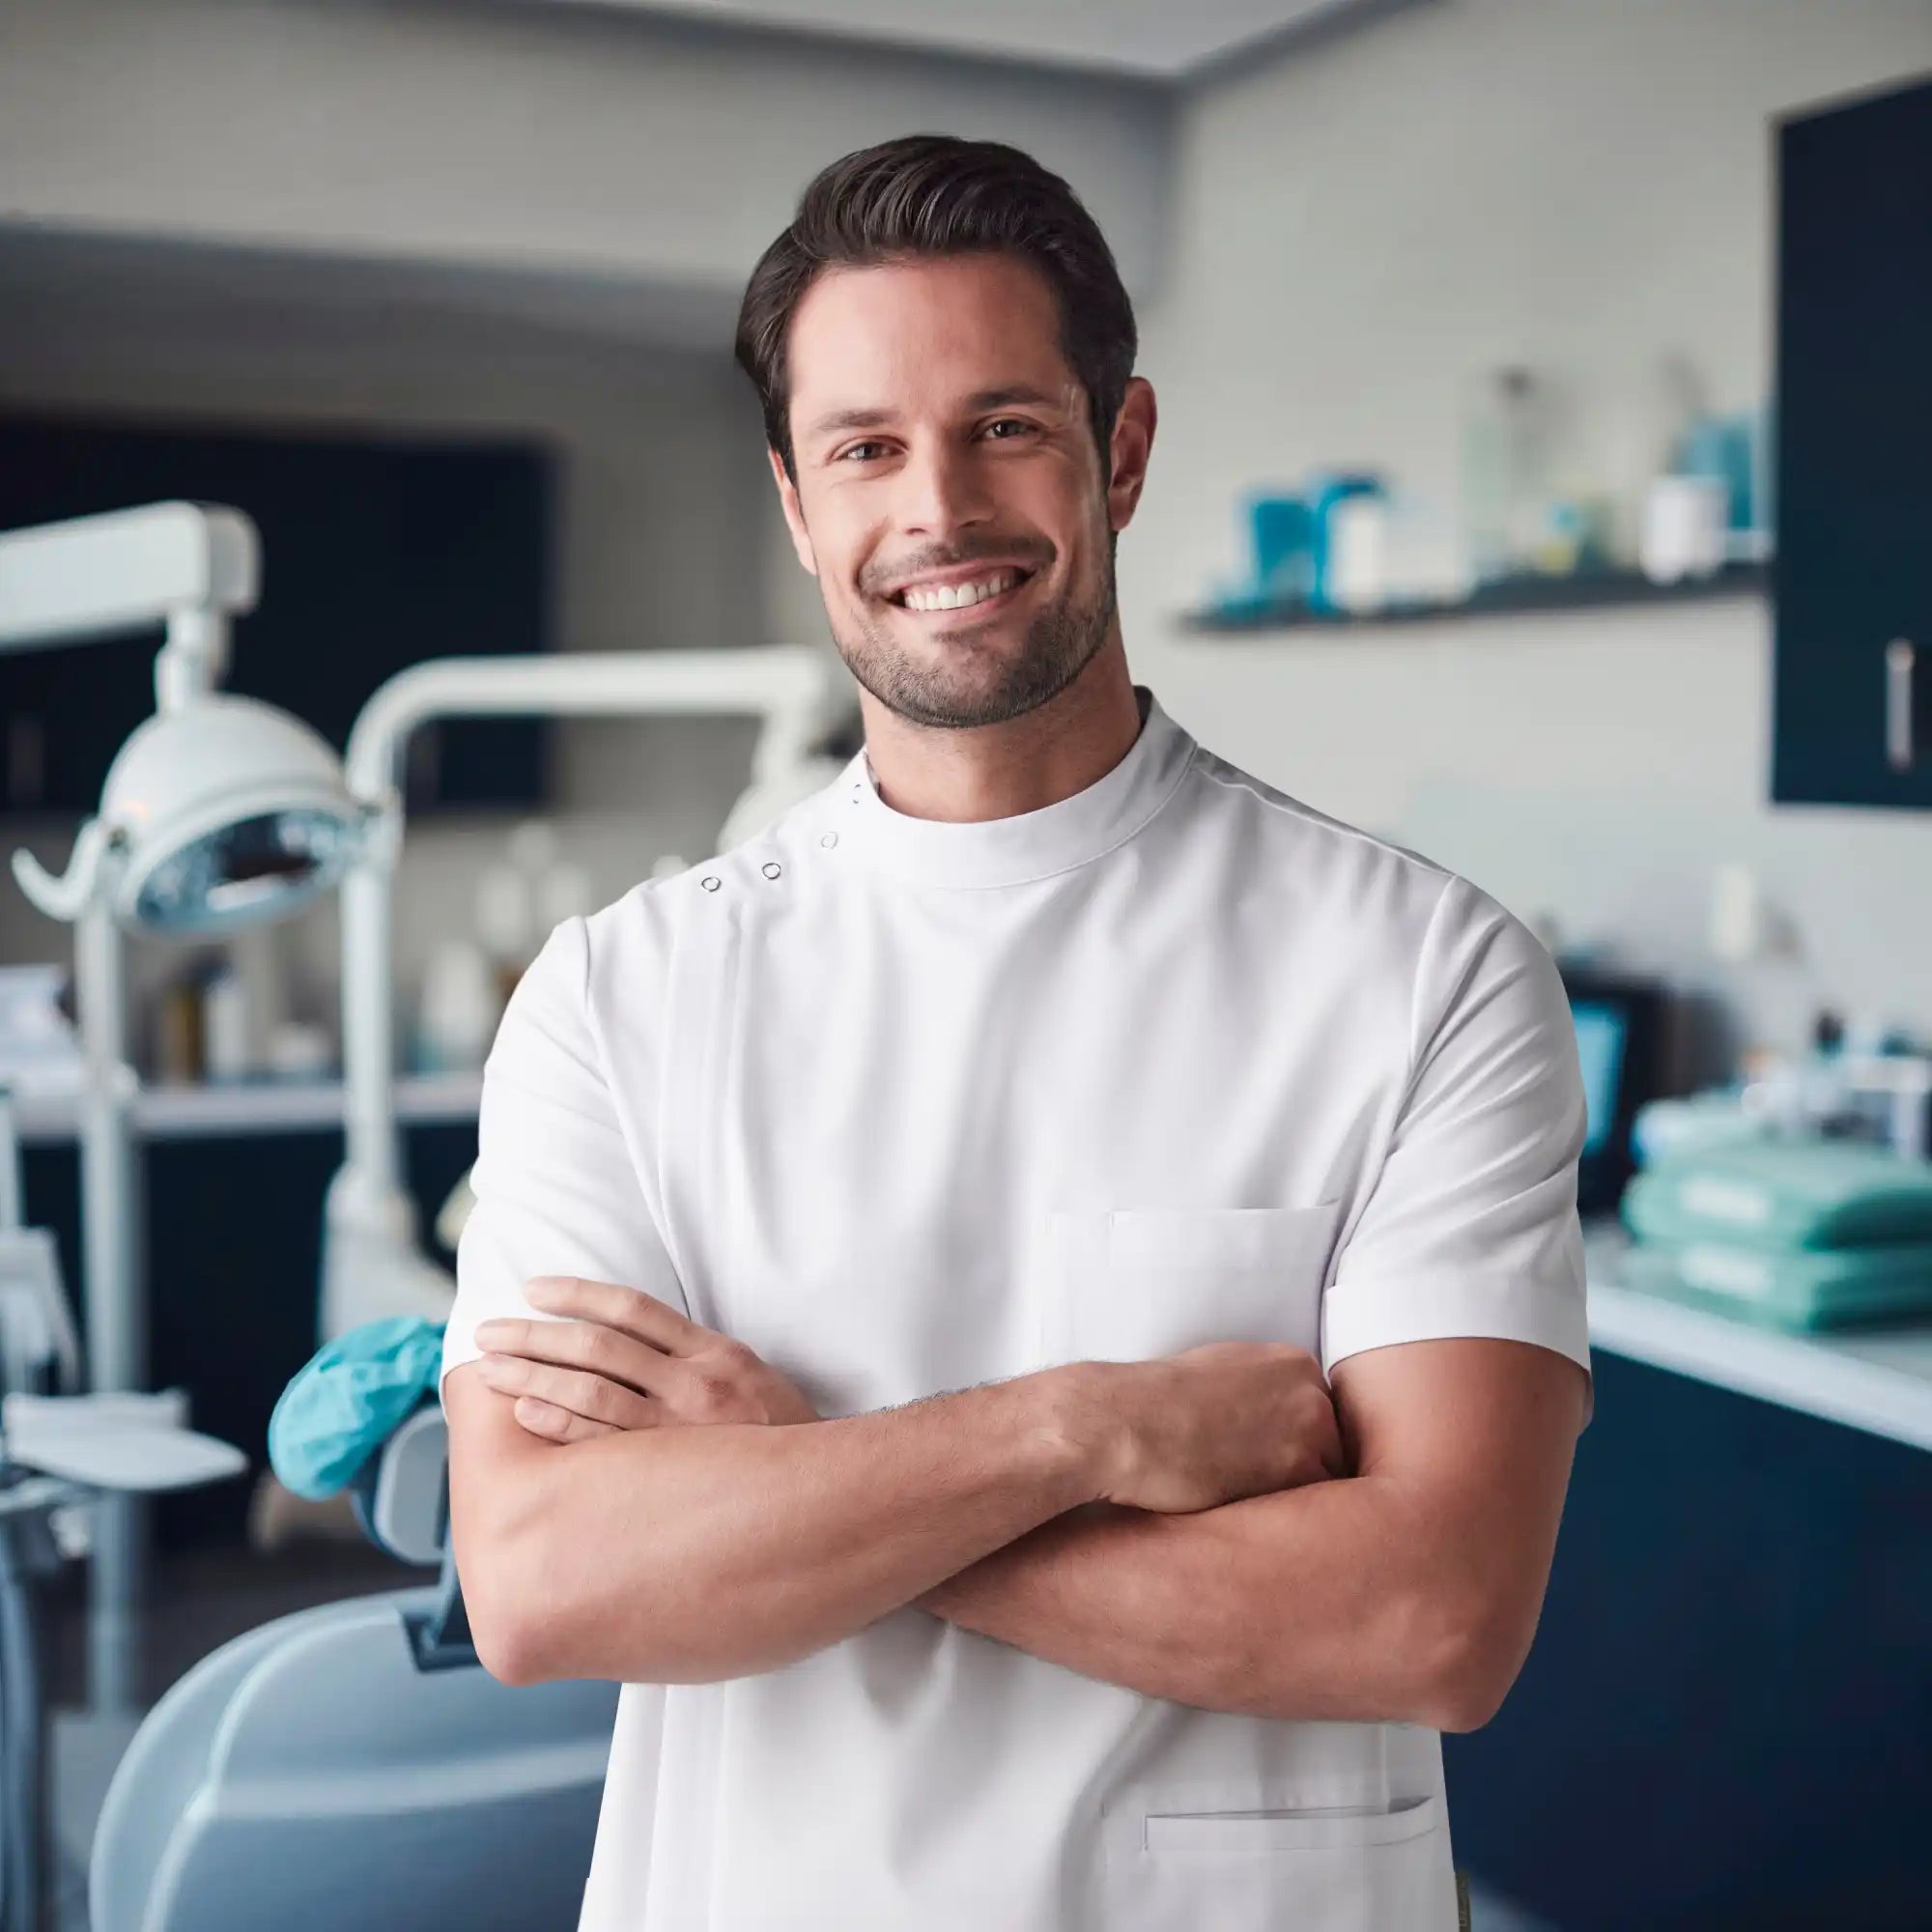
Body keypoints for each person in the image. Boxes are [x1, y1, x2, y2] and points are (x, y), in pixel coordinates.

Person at [440, 133, 1593, 1932]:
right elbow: (537, 1581)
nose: (940, 514)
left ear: (1120, 451)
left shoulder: (1424, 972)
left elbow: (1432, 1618)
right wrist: (1070, 1432)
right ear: (800, 505)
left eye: (1004, 427)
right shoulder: (621, 998)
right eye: (867, 449)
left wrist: (791, 1474)